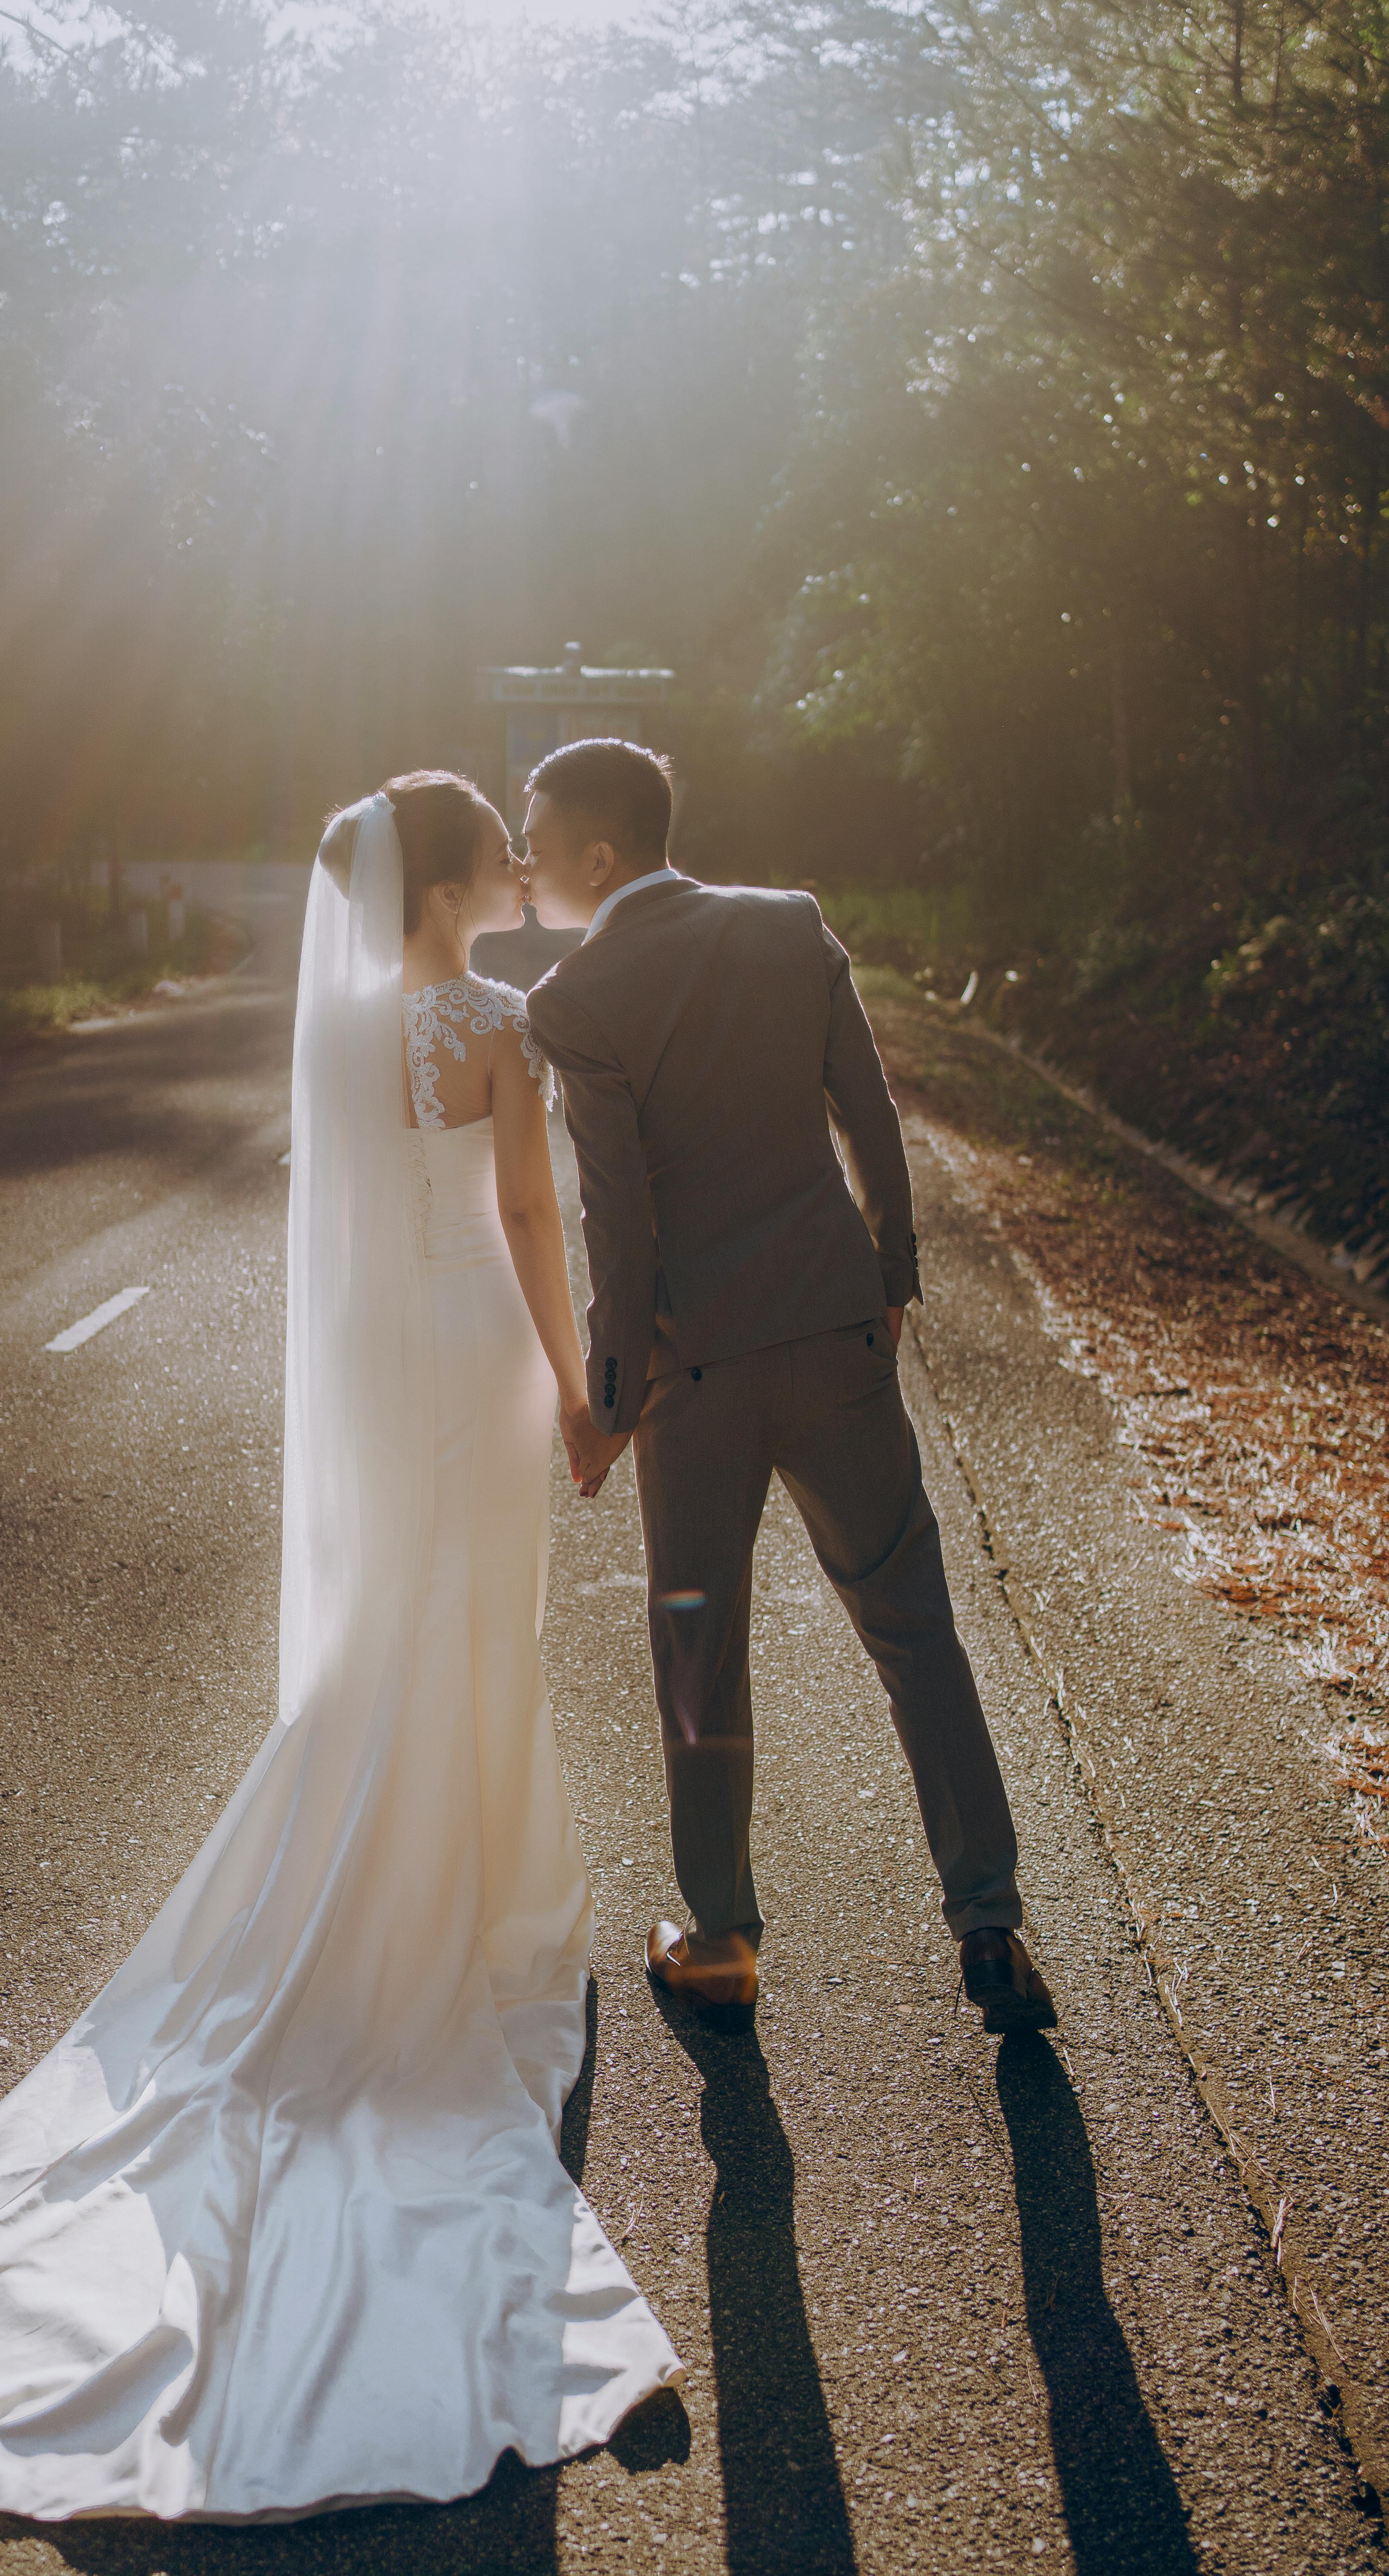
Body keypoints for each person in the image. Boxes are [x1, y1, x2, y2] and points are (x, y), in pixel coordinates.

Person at [0, 774, 679, 2521]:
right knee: (474, 1626)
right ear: (439, 882)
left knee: (396, 1629)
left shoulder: (348, 1031)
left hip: (385, 1356)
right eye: (492, 841)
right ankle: (470, 1905)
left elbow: (345, 1228)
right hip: (480, 1344)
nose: (518, 853)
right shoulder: (495, 1022)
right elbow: (527, 1218)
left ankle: (410, 1880)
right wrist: (579, 1388)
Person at [521, 739, 1057, 2035]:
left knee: (701, 1656)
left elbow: (620, 1219)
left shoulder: (575, 998)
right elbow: (869, 1113)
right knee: (914, 1624)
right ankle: (990, 1924)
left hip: (695, 1378)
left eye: (536, 838)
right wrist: (889, 1274)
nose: (523, 862)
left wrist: (607, 1400)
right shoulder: (789, 926)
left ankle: (720, 1944)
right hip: (836, 1338)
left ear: (599, 855)